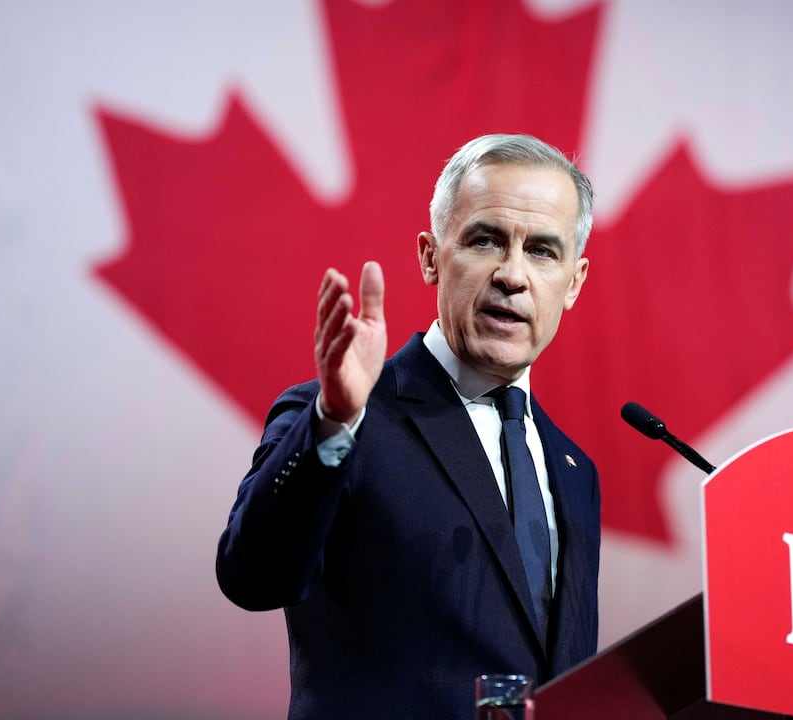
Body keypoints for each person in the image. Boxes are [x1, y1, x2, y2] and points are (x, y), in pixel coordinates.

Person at [216, 134, 600, 719]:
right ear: (430, 256)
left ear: (573, 282)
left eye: (543, 251)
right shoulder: (342, 420)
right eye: (486, 240)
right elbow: (253, 575)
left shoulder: (575, 472)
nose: (513, 275)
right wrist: (334, 421)